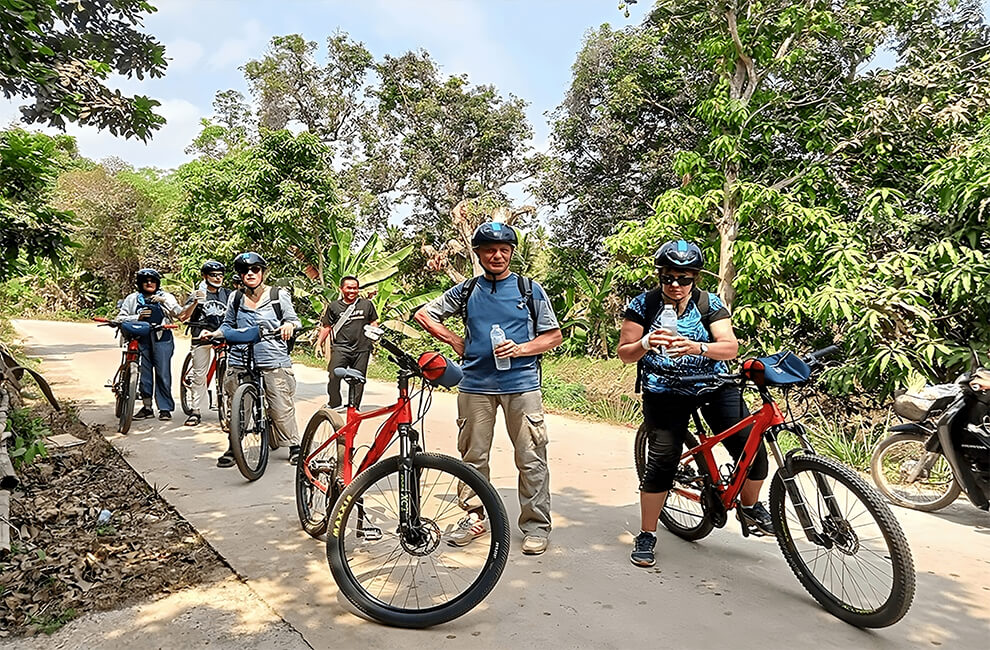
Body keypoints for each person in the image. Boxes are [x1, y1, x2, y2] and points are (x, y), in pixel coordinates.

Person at [617, 239, 773, 568]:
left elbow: (729, 348)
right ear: (660, 276)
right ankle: (647, 533)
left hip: (714, 385)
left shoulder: (708, 303)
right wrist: (645, 342)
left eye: (684, 278)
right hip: (664, 392)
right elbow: (624, 353)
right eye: (669, 277)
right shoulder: (643, 305)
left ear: (695, 279)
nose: (675, 285)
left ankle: (749, 507)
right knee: (662, 463)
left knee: (753, 453)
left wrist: (695, 348)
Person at [414, 222, 562, 555]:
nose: (497, 255)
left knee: (531, 456)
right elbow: (425, 314)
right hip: (474, 384)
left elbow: (553, 336)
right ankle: (474, 517)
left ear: (511, 253)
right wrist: (454, 339)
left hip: (521, 385)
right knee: (473, 457)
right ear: (479, 254)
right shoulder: (466, 290)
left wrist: (520, 349)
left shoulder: (529, 289)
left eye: (503, 250)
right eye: (490, 250)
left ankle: (536, 526)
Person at [215, 252, 303, 467]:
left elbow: (293, 319)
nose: (250, 273)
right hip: (240, 357)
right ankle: (234, 446)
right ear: (240, 275)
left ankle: (293, 445)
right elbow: (227, 324)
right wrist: (216, 333)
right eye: (245, 271)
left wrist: (289, 326)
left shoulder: (277, 295)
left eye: (255, 269)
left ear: (263, 272)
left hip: (273, 357)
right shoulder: (235, 298)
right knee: (236, 405)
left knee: (280, 405)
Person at [116, 267, 182, 421]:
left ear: (158, 283)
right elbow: (121, 317)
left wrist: (165, 302)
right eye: (145, 281)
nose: (149, 283)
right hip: (141, 337)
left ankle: (165, 408)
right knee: (144, 374)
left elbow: (179, 313)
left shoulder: (166, 296)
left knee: (163, 373)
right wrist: (137, 317)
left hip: (162, 337)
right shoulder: (132, 298)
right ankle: (147, 407)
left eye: (153, 280)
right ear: (140, 283)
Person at [177, 260, 232, 427]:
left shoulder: (228, 294)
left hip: (221, 335)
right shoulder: (197, 294)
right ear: (205, 276)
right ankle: (196, 411)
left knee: (230, 372)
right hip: (200, 337)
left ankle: (229, 409)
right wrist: (195, 302)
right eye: (213, 275)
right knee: (200, 375)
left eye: (220, 275)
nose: (217, 278)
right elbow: (182, 316)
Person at [316, 276, 379, 409]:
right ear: (341, 289)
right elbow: (327, 326)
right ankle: (335, 402)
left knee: (358, 379)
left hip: (362, 348)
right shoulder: (334, 306)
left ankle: (353, 407)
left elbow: (373, 322)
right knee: (333, 375)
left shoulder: (366, 304)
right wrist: (319, 343)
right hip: (341, 348)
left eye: (355, 288)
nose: (352, 291)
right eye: (349, 288)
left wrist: (375, 333)